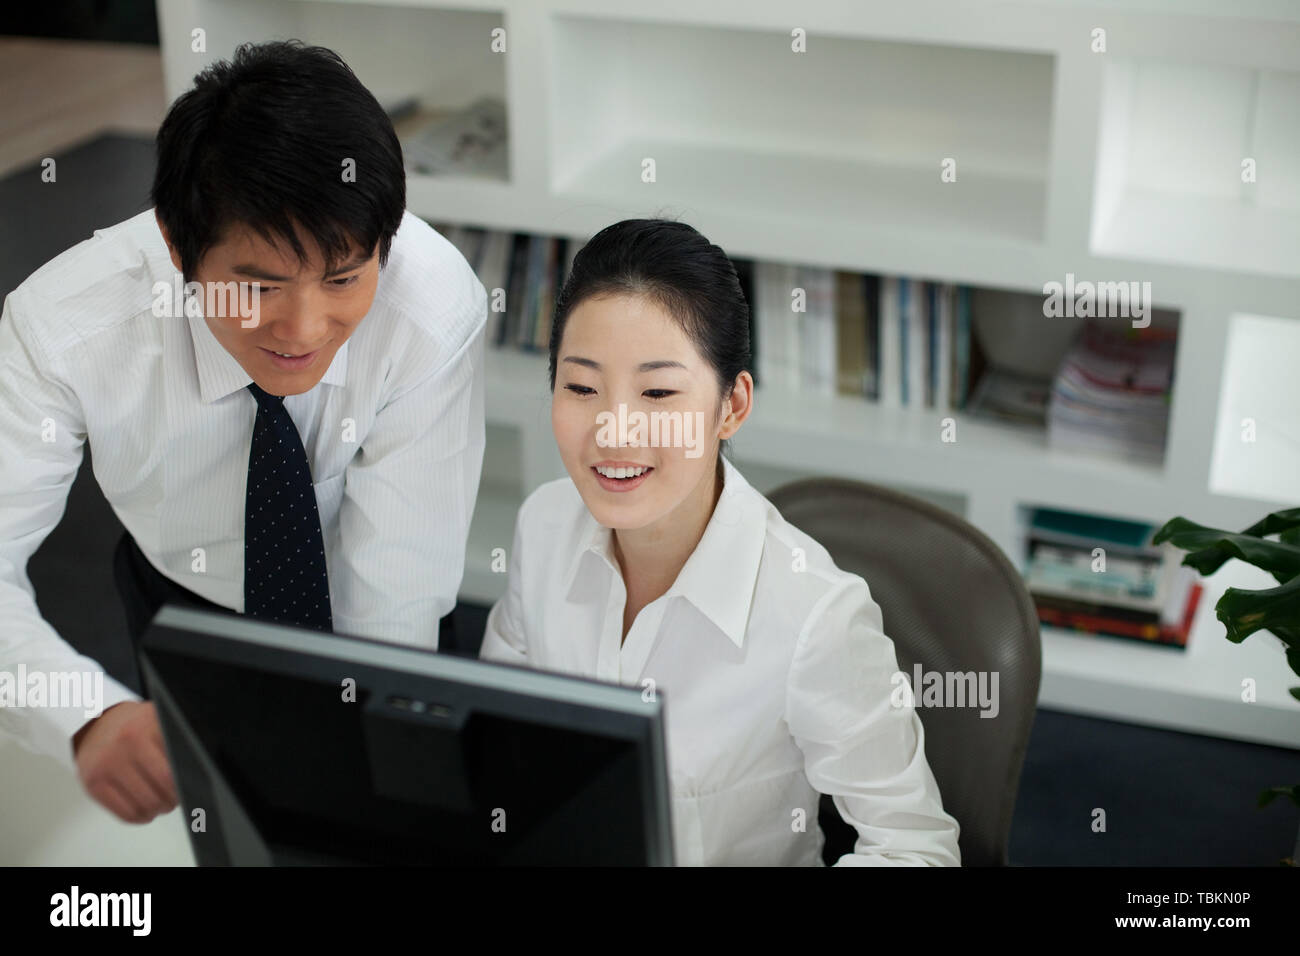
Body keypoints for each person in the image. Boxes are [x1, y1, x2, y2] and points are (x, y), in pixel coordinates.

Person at [0, 41, 486, 824]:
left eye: (342, 278)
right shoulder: (63, 327)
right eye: (256, 285)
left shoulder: (430, 310)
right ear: (175, 243)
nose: (302, 329)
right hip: (185, 603)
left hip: (368, 605)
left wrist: (380, 750)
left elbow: (396, 592)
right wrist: (84, 713)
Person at [479, 219, 960, 865]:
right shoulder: (543, 525)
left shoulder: (815, 619)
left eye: (657, 392)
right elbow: (493, 740)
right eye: (582, 387)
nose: (614, 433)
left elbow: (916, 850)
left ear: (731, 406)